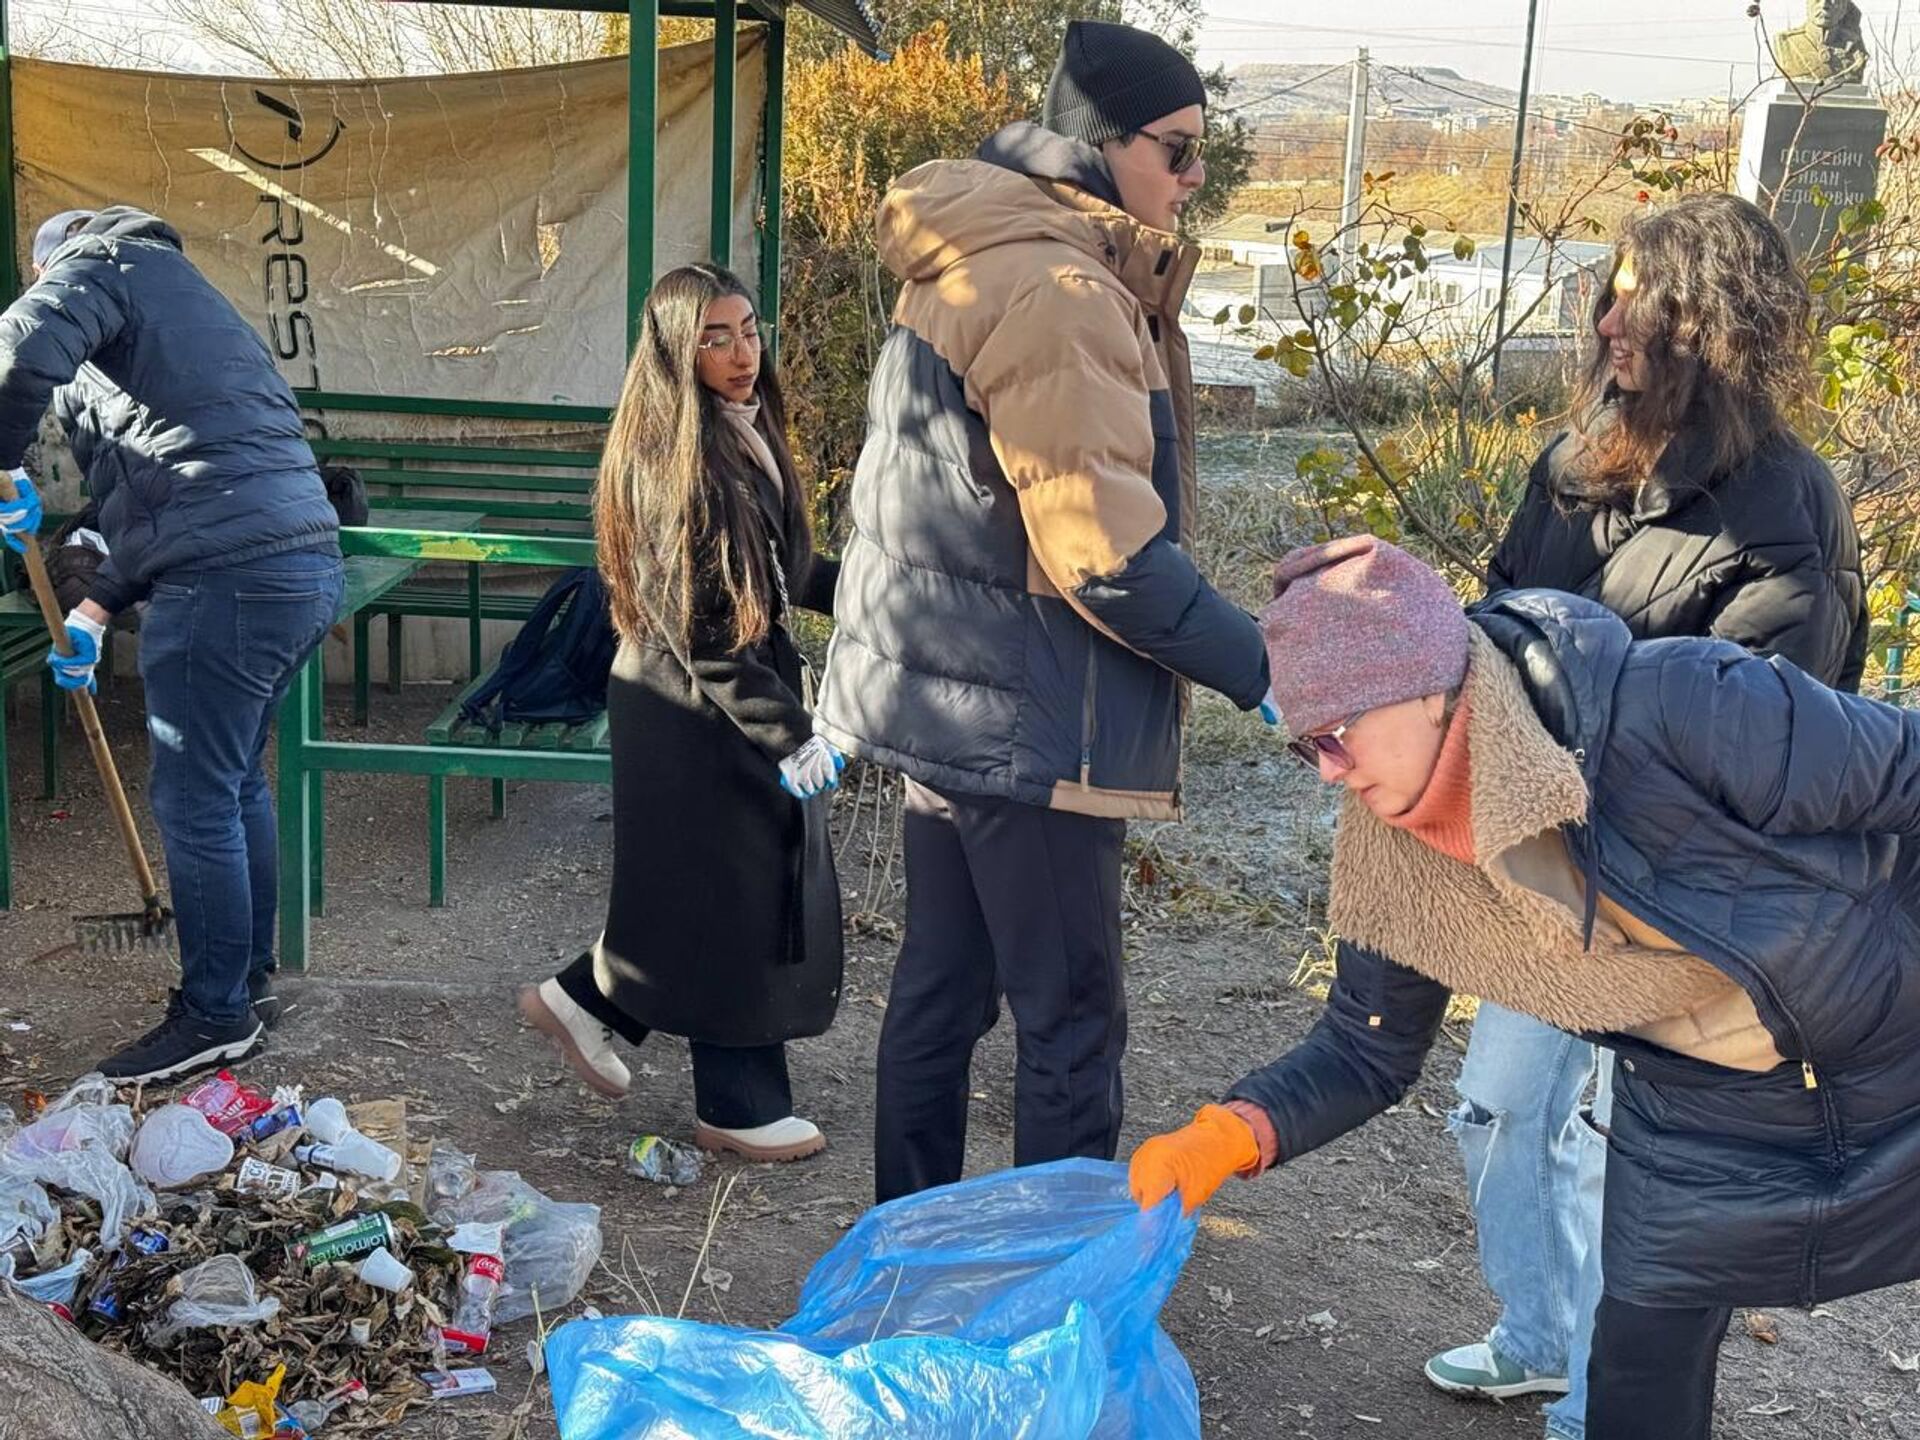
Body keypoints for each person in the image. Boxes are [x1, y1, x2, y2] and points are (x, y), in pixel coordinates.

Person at [1128, 535, 1920, 1440]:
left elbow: (1907, 771)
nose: (1332, 772)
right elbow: (1367, 1045)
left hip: (1888, 1032)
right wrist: (1235, 1130)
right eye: (1308, 747)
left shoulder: (1681, 703)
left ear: (1427, 684)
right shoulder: (1398, 852)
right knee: (1636, 1364)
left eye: (1339, 732)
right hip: (1700, 1098)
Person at [1427, 192, 1867, 1438]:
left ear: (1712, 322)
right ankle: (1537, 1337)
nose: (1608, 317)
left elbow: (1770, 742)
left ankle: (1600, 1412)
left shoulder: (1789, 505)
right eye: (1604, 291)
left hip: (1688, 908)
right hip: (1546, 868)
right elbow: (1498, 618)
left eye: (1641, 296)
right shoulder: (1574, 467)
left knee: (1646, 1168)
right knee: (1503, 1108)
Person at [813, 20, 1274, 1204]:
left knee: (942, 996)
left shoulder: (984, 251)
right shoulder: (1059, 287)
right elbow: (1105, 555)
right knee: (1067, 1021)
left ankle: (909, 1266)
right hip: (1027, 721)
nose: (1194, 179)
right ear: (1098, 144)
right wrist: (1264, 669)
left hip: (946, 698)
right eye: (1178, 151)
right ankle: (1044, 1308)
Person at [0, 205, 342, 1084]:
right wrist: (97, 606)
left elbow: (16, 354)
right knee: (230, 787)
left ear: (50, 265)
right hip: (296, 563)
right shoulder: (184, 301)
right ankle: (246, 981)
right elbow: (173, 489)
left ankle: (214, 1013)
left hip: (228, 585)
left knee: (196, 802)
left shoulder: (97, 266)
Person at [519, 263, 843, 1163]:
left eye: (748, 331)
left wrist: (867, 592)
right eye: (715, 339)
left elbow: (778, 564)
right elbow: (700, 625)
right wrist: (794, 735)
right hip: (691, 703)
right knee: (736, 893)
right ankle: (737, 1104)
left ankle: (582, 1001)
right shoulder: (674, 460)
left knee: (712, 889)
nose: (743, 354)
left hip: (723, 690)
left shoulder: (741, 430)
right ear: (675, 349)